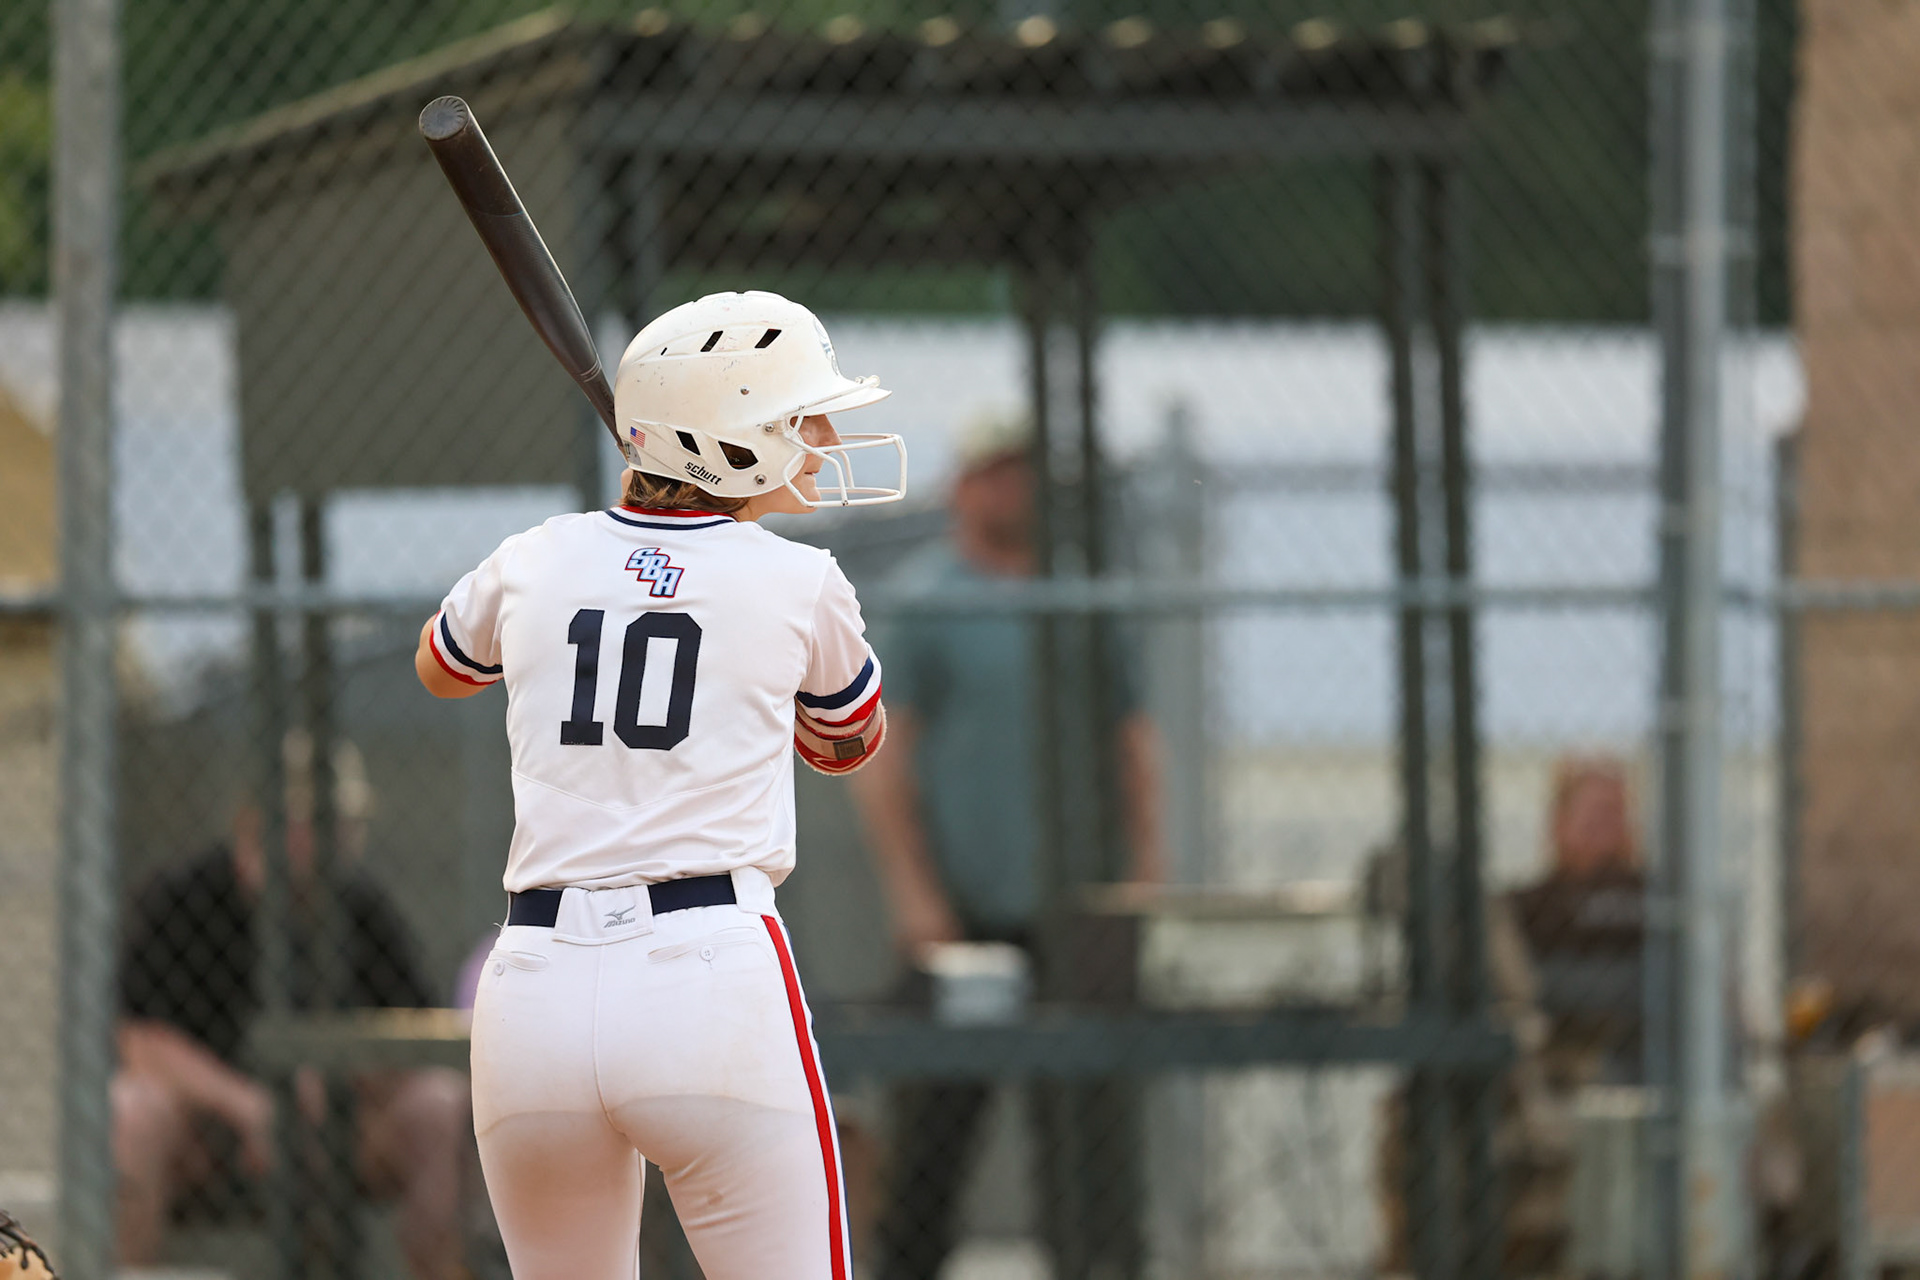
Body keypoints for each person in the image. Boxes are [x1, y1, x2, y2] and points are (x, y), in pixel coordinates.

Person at [414, 289, 905, 1279]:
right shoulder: (801, 579)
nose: (815, 438)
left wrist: (616, 569)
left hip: (534, 990)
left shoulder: (533, 556)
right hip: (707, 975)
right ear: (727, 439)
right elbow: (849, 741)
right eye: (792, 417)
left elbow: (440, 666)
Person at [849, 413, 1163, 1280]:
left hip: (1077, 912)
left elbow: (1133, 740)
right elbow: (883, 761)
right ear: (963, 484)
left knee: (1086, 1144)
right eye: (996, 471)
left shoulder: (1084, 595)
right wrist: (917, 899)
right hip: (962, 915)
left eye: (1026, 471)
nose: (1012, 488)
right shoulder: (926, 599)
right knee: (933, 1143)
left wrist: (1144, 877)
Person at [113, 737, 469, 1277]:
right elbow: (142, 1045)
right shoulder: (184, 896)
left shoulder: (363, 910)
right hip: (212, 1130)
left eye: (349, 821)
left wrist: (331, 1083)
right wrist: (252, 1107)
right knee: (133, 1110)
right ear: (257, 823)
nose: (340, 836)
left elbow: (411, 1040)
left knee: (440, 1107)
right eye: (317, 820)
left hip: (335, 1128)